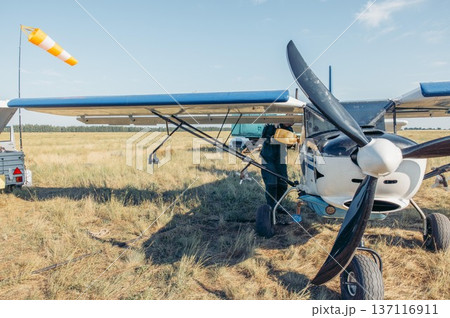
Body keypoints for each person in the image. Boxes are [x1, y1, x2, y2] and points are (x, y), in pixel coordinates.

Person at [260, 122, 294, 211]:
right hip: (268, 158)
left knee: (283, 183)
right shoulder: (269, 125)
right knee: (271, 183)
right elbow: (265, 139)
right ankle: (270, 206)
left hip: (280, 160)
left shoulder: (289, 129)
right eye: (289, 119)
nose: (291, 123)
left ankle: (278, 205)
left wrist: (290, 143)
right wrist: (276, 137)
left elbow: (290, 144)